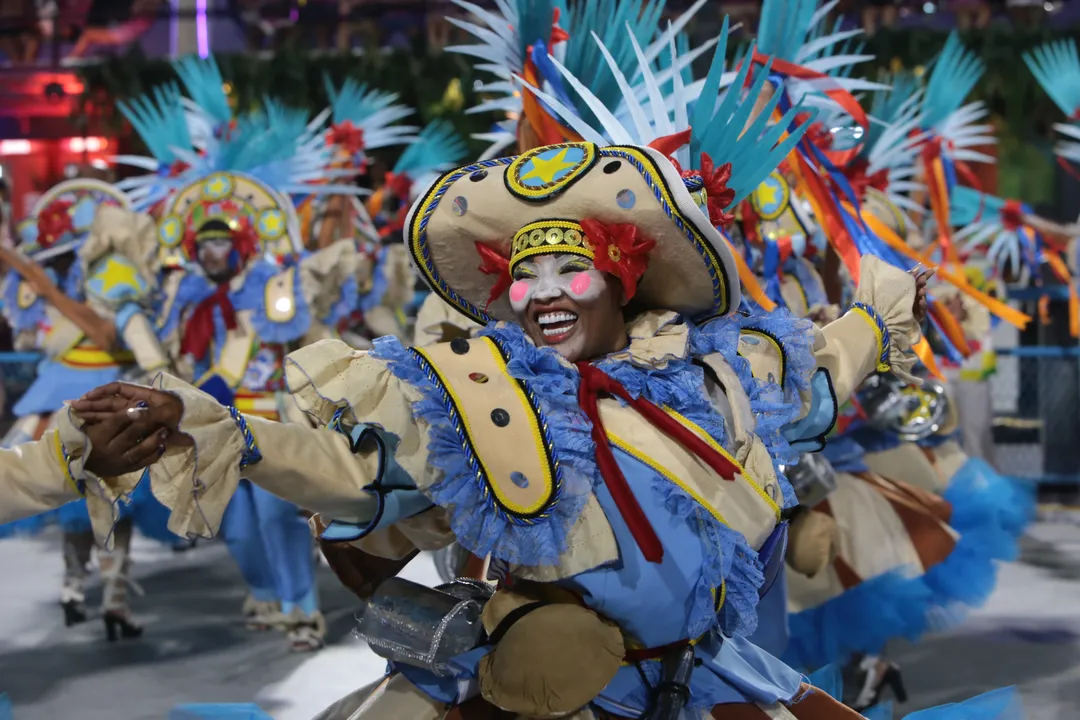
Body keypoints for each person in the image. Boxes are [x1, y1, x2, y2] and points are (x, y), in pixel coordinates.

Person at [70, 131, 934, 718]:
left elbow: (823, 370)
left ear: (624, 279)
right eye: (526, 275)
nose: (546, 290)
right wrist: (234, 435)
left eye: (572, 268)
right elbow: (351, 470)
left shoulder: (711, 368)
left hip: (706, 683)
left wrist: (886, 306)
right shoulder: (472, 392)